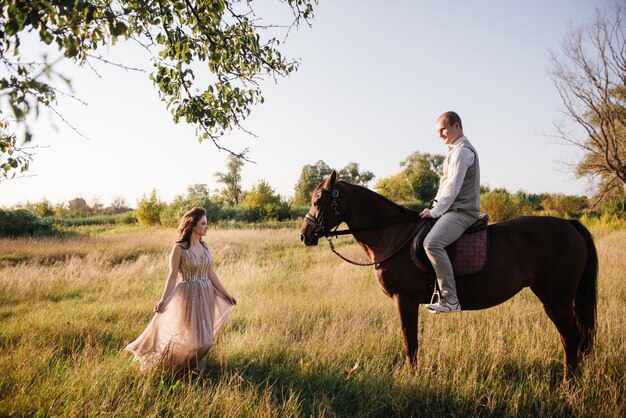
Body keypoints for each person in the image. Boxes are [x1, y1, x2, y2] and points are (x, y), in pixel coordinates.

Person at [125, 207, 237, 372]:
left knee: (206, 339)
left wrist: (226, 293)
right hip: (188, 295)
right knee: (197, 341)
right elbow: (172, 276)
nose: (207, 227)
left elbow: (210, 272)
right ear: (192, 225)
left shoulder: (205, 247)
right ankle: (174, 366)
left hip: (206, 294)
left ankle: (198, 373)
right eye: (203, 223)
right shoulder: (179, 248)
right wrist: (164, 299)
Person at [420, 111, 480, 313]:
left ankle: (450, 299)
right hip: (452, 209)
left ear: (457, 126)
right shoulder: (453, 152)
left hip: (463, 211)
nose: (440, 135)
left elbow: (453, 188)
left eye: (443, 129)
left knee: (432, 243)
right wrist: (433, 207)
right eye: (437, 131)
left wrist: (436, 212)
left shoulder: (462, 152)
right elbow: (444, 187)